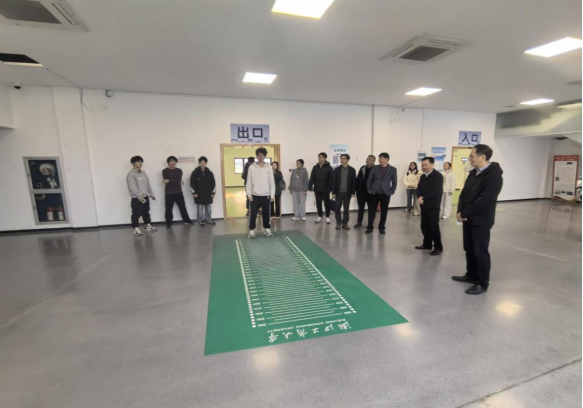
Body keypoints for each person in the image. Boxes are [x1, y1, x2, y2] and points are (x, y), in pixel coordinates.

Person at [452, 144, 503, 295]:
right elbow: (463, 194)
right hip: (468, 218)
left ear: (482, 157)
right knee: (469, 248)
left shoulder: (494, 176)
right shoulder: (474, 173)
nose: (470, 158)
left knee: (480, 251)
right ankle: (471, 274)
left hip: (481, 220)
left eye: (472, 155)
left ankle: (482, 283)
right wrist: (460, 211)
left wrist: (465, 212)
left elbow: (484, 200)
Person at [415, 157, 443, 255]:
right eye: (422, 165)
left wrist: (423, 198)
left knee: (433, 226)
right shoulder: (423, 176)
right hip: (424, 205)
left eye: (426, 165)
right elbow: (418, 188)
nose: (424, 167)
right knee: (424, 225)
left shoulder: (438, 176)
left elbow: (435, 191)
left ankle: (438, 247)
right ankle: (427, 244)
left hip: (433, 205)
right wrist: (419, 196)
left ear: (432, 164)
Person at [246, 148, 276, 238]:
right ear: (256, 156)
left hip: (266, 195)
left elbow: (271, 182)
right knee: (253, 214)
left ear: (265, 156)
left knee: (266, 213)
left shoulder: (269, 167)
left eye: (262, 155)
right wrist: (249, 194)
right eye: (259, 155)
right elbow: (248, 181)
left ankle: (267, 229)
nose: (260, 157)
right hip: (254, 195)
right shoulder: (251, 167)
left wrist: (272, 195)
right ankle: (251, 230)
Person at [365, 152, 397, 235]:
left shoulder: (393, 169)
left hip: (386, 194)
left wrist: (392, 191)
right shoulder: (375, 168)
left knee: (384, 212)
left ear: (387, 159)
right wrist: (369, 189)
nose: (379, 160)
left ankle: (381, 228)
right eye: (379, 158)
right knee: (371, 211)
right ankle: (370, 227)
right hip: (374, 193)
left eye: (381, 158)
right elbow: (369, 179)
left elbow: (394, 181)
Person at [126, 155, 157, 235]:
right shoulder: (131, 174)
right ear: (133, 163)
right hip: (136, 198)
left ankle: (147, 225)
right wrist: (139, 196)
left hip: (145, 196)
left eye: (141, 162)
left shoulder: (143, 173)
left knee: (146, 211)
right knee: (136, 213)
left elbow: (148, 184)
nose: (140, 163)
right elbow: (132, 187)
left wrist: (151, 194)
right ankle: (135, 228)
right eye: (138, 162)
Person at [162, 156, 194, 228]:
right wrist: (177, 181)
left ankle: (187, 220)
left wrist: (170, 181)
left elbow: (177, 180)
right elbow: (174, 181)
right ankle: (168, 223)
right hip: (169, 193)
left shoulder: (179, 170)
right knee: (168, 208)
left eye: (174, 161)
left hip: (178, 192)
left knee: (182, 207)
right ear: (168, 162)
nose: (173, 163)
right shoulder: (164, 171)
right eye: (171, 161)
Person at [331, 154, 357, 230]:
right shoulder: (337, 170)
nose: (342, 160)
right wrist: (333, 192)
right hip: (338, 193)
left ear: (348, 160)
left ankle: (345, 223)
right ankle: (338, 223)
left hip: (347, 193)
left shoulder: (352, 170)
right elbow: (333, 182)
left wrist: (353, 192)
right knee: (337, 208)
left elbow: (354, 182)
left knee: (346, 209)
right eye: (341, 158)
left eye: (344, 159)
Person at [190, 156, 216, 226]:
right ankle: (201, 220)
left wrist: (213, 193)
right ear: (199, 163)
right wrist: (194, 193)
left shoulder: (210, 173)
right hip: (198, 194)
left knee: (208, 207)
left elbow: (213, 184)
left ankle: (208, 219)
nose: (203, 164)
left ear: (206, 163)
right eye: (201, 162)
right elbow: (192, 184)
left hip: (208, 193)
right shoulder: (194, 173)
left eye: (204, 162)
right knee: (200, 208)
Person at [309, 153, 333, 224]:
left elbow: (331, 179)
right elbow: (312, 177)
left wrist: (329, 189)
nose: (319, 158)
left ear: (325, 158)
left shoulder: (329, 167)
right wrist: (310, 186)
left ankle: (327, 217)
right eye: (319, 157)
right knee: (318, 203)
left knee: (326, 204)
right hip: (317, 189)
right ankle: (320, 216)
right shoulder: (315, 167)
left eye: (321, 157)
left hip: (326, 189)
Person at [354, 155, 376, 228]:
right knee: (360, 208)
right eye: (367, 159)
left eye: (369, 159)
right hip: (361, 192)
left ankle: (370, 224)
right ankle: (359, 222)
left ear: (373, 161)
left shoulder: (376, 169)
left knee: (371, 209)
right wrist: (356, 190)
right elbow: (358, 179)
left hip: (371, 193)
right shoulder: (363, 168)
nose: (367, 160)